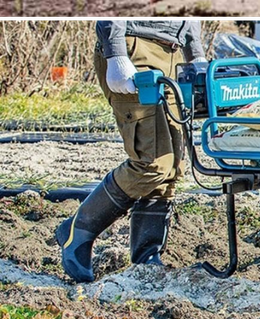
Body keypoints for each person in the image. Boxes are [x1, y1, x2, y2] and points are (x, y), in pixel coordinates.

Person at [58, 21, 205, 283]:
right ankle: (79, 228)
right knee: (152, 162)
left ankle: (146, 259)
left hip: (174, 53)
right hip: (136, 48)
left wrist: (196, 55)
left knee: (171, 166)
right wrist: (116, 52)